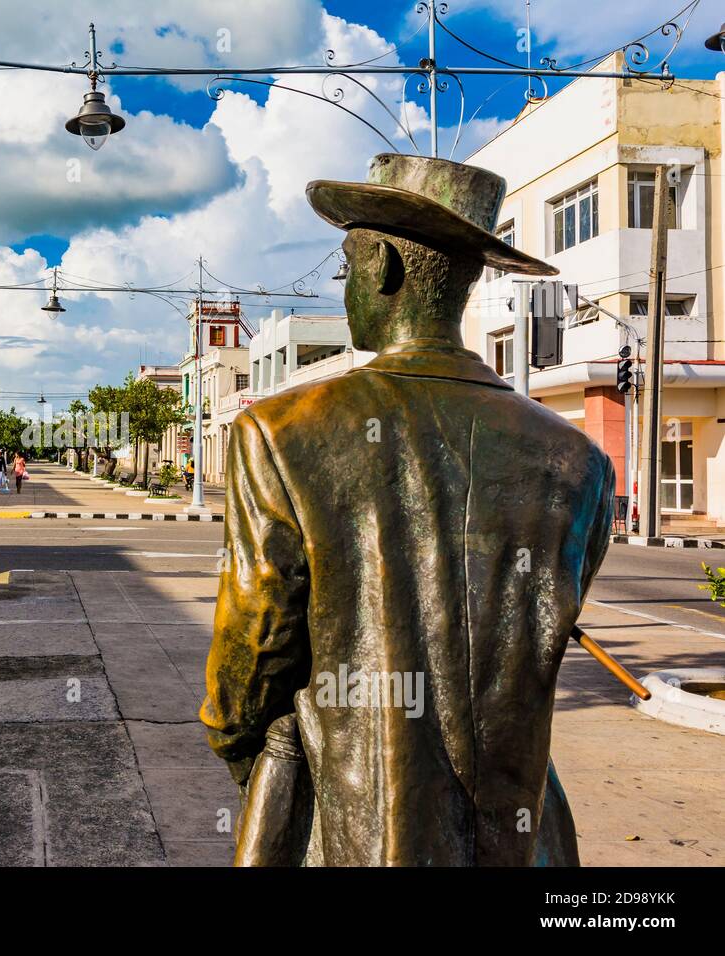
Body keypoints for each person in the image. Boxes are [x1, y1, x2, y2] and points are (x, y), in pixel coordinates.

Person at [200, 153, 613, 867]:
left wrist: (250, 754)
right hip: (517, 835)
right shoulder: (579, 461)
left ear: (384, 267)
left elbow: (253, 655)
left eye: (348, 267)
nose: (347, 290)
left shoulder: (282, 432)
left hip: (348, 821)